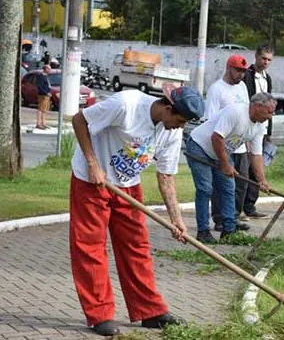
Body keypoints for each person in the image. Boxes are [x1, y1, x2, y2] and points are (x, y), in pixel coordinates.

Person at [69, 84, 204, 336]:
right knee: (90, 247)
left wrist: (176, 220)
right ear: (166, 107)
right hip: (91, 181)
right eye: (180, 119)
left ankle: (150, 311)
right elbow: (79, 120)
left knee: (136, 247)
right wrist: (92, 163)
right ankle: (99, 314)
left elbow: (166, 176)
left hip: (128, 186)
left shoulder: (171, 132)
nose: (180, 126)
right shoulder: (126, 105)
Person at [186, 93, 275, 244]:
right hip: (199, 147)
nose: (271, 116)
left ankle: (228, 230)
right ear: (257, 107)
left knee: (229, 188)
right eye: (269, 112)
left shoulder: (259, 127)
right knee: (205, 188)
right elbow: (217, 137)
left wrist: (262, 180)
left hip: (220, 152)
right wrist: (226, 165)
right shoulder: (235, 112)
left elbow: (256, 155)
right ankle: (203, 231)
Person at [204, 54, 250, 233]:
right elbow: (210, 119)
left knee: (241, 182)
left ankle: (234, 216)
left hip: (240, 143)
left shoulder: (243, 87)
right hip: (222, 143)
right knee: (222, 184)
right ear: (228, 68)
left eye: (243, 72)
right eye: (238, 70)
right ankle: (220, 218)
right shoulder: (217, 89)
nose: (241, 75)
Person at [241, 44, 275, 219]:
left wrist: (269, 130)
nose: (266, 62)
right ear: (256, 56)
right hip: (249, 125)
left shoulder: (267, 78)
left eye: (269, 59)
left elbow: (270, 103)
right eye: (263, 58)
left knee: (258, 167)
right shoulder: (247, 76)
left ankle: (250, 205)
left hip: (261, 127)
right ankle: (239, 206)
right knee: (245, 168)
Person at [35, 65, 52, 130]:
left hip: (47, 96)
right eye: (49, 69)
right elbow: (40, 87)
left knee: (44, 110)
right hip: (42, 95)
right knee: (41, 109)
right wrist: (46, 92)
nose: (50, 70)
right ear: (45, 69)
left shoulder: (46, 76)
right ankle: (38, 124)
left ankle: (43, 123)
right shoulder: (41, 76)